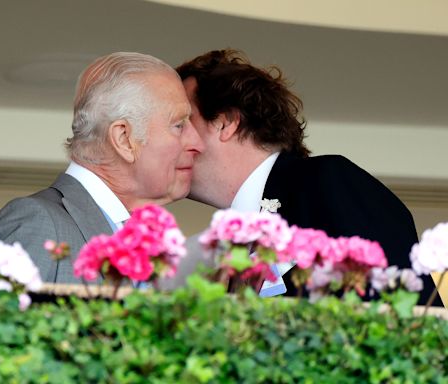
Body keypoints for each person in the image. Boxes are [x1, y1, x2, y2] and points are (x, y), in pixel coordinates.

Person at [173, 48, 441, 305]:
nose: (170, 140)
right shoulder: (222, 251)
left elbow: (391, 313)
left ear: (225, 122)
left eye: (181, 123)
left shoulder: (328, 181)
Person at [0, 52, 204, 283]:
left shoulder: (140, 241)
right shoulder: (39, 222)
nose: (197, 143)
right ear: (123, 139)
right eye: (179, 125)